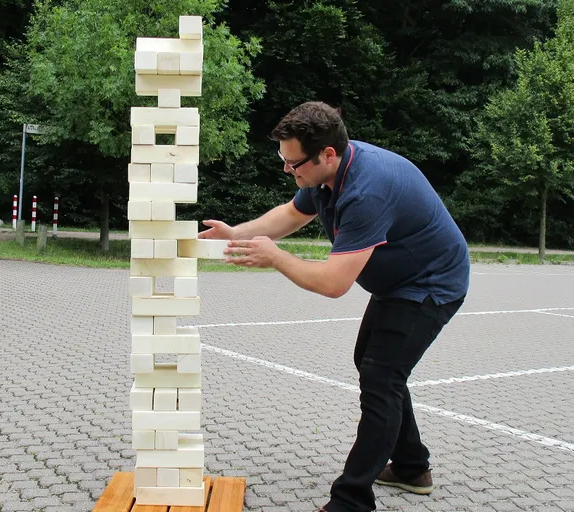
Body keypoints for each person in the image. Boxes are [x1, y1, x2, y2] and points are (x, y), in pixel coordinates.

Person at [198, 101, 470, 512]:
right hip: (398, 284)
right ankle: (413, 467)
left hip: (431, 285)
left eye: (294, 164)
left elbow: (333, 283)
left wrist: (275, 257)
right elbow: (291, 214)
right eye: (284, 160)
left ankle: (351, 501)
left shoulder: (367, 191)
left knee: (381, 380)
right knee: (375, 366)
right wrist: (235, 234)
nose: (288, 171)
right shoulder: (325, 170)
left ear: (327, 153)